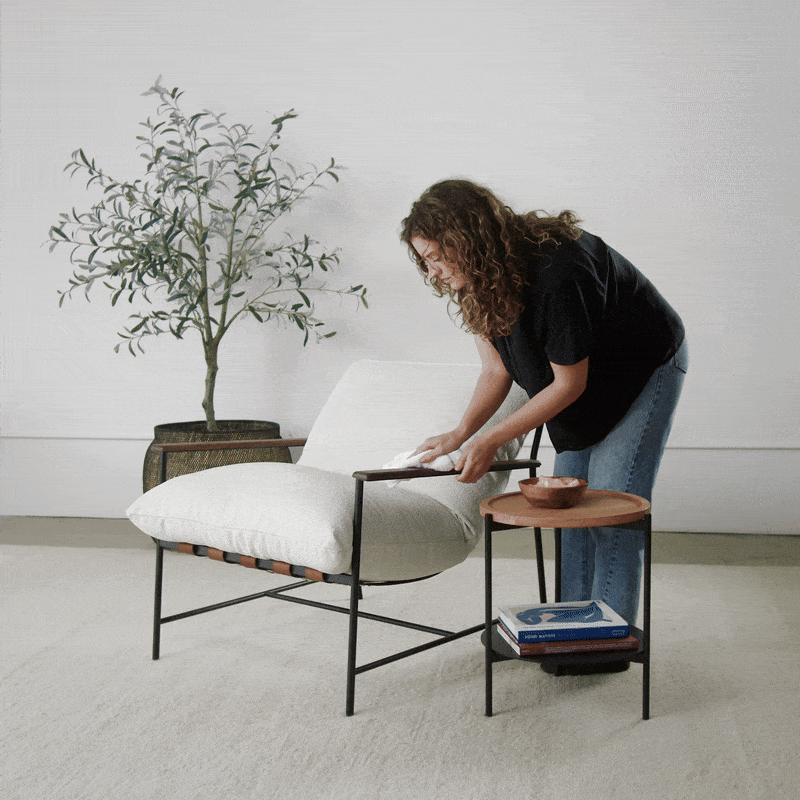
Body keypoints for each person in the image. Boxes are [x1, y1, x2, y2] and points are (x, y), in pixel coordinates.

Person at [401, 179, 687, 673]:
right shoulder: (480, 282)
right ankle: (572, 632)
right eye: (424, 260)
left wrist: (492, 439)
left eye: (437, 257)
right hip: (578, 378)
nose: (433, 272)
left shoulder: (559, 272)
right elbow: (497, 369)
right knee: (568, 509)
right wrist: (461, 433)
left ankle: (605, 642)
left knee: (612, 509)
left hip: (641, 367)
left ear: (469, 242)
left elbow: (568, 384)